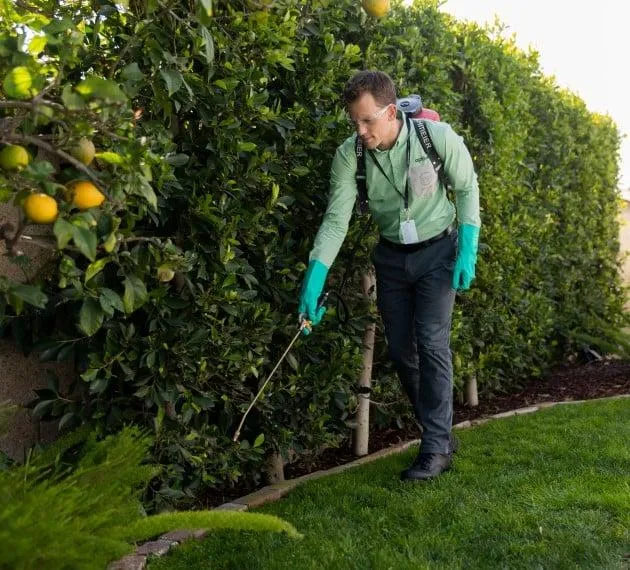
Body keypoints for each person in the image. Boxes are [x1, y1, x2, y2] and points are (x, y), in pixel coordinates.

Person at [298, 70, 480, 481]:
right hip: (392, 259)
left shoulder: (435, 138)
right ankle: (441, 433)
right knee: (401, 352)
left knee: (432, 342)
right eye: (354, 122)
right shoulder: (350, 156)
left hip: (438, 251)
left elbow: (467, 186)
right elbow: (335, 221)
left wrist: (467, 249)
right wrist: (315, 276)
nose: (360, 131)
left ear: (392, 111)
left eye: (368, 121)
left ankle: (434, 447)